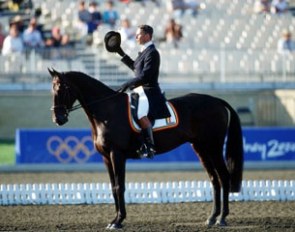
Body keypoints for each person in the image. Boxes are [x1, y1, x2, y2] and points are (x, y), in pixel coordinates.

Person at [105, 25, 170, 159]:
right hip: (140, 90)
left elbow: (145, 76)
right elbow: (135, 68)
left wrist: (127, 84)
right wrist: (120, 52)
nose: (136, 37)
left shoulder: (152, 52)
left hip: (149, 90)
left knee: (140, 113)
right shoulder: (145, 51)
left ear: (147, 36)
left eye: (138, 34)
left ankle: (149, 146)